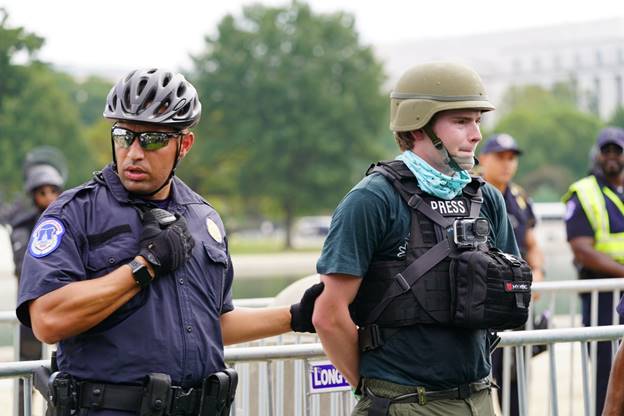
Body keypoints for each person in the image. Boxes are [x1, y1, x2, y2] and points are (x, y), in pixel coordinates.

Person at [16, 68, 320, 416]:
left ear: (184, 145)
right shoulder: (74, 214)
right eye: (123, 136)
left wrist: (295, 317)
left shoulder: (204, 220)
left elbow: (211, 325)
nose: (133, 153)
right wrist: (143, 267)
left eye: (152, 140)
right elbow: (47, 321)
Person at [312, 62, 530, 416]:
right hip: (404, 403)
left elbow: (513, 290)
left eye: (477, 121)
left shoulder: (485, 198)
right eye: (461, 122)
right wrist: (370, 388)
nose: (476, 134)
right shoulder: (373, 199)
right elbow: (329, 314)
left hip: (478, 397)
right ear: (418, 126)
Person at [479, 134, 545, 416]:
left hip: (513, 303)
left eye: (511, 158)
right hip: (480, 303)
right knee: (478, 381)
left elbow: (531, 243)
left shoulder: (518, 197)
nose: (507, 164)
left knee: (514, 381)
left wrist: (538, 272)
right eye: (500, 157)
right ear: (483, 159)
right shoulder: (470, 193)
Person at [562, 126, 624, 416]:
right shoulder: (584, 192)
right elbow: (582, 249)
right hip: (602, 298)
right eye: (606, 150)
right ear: (596, 155)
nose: (611, 156)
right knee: (607, 373)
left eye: (618, 150)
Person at [4, 147, 66, 415]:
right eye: (43, 192)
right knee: (25, 378)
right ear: (33, 194)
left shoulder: (68, 221)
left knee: (61, 376)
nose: (49, 197)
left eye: (54, 191)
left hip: (62, 310)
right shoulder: (22, 227)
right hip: (31, 312)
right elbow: (25, 269)